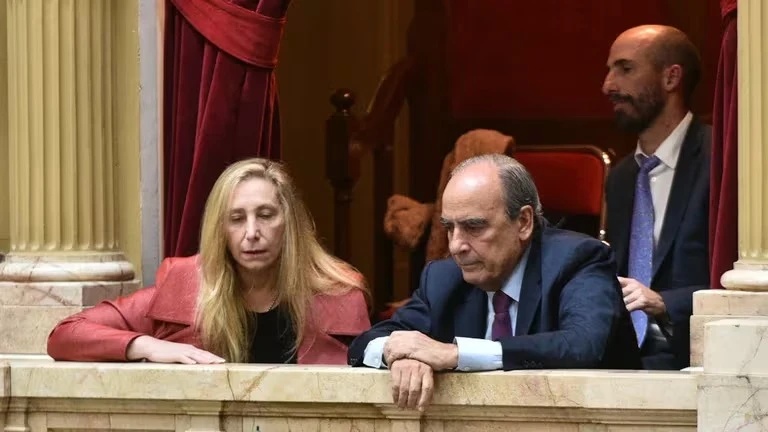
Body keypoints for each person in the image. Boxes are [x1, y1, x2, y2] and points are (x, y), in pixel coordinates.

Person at [348, 154, 641, 411]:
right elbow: (366, 343)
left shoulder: (578, 259)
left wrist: (456, 354)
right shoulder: (443, 278)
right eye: (449, 228)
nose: (456, 246)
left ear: (523, 222)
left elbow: (582, 344)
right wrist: (400, 355)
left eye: (474, 227)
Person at [48, 158, 370, 365]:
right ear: (220, 229)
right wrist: (147, 346)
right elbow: (66, 334)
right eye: (236, 219)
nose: (252, 233)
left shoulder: (339, 295)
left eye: (266, 215)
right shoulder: (184, 286)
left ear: (290, 223)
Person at [602, 25, 710, 370]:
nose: (608, 85)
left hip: (698, 355)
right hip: (621, 357)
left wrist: (665, 302)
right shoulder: (621, 177)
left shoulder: (724, 163)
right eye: (609, 70)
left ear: (671, 78)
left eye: (625, 68)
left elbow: (747, 281)